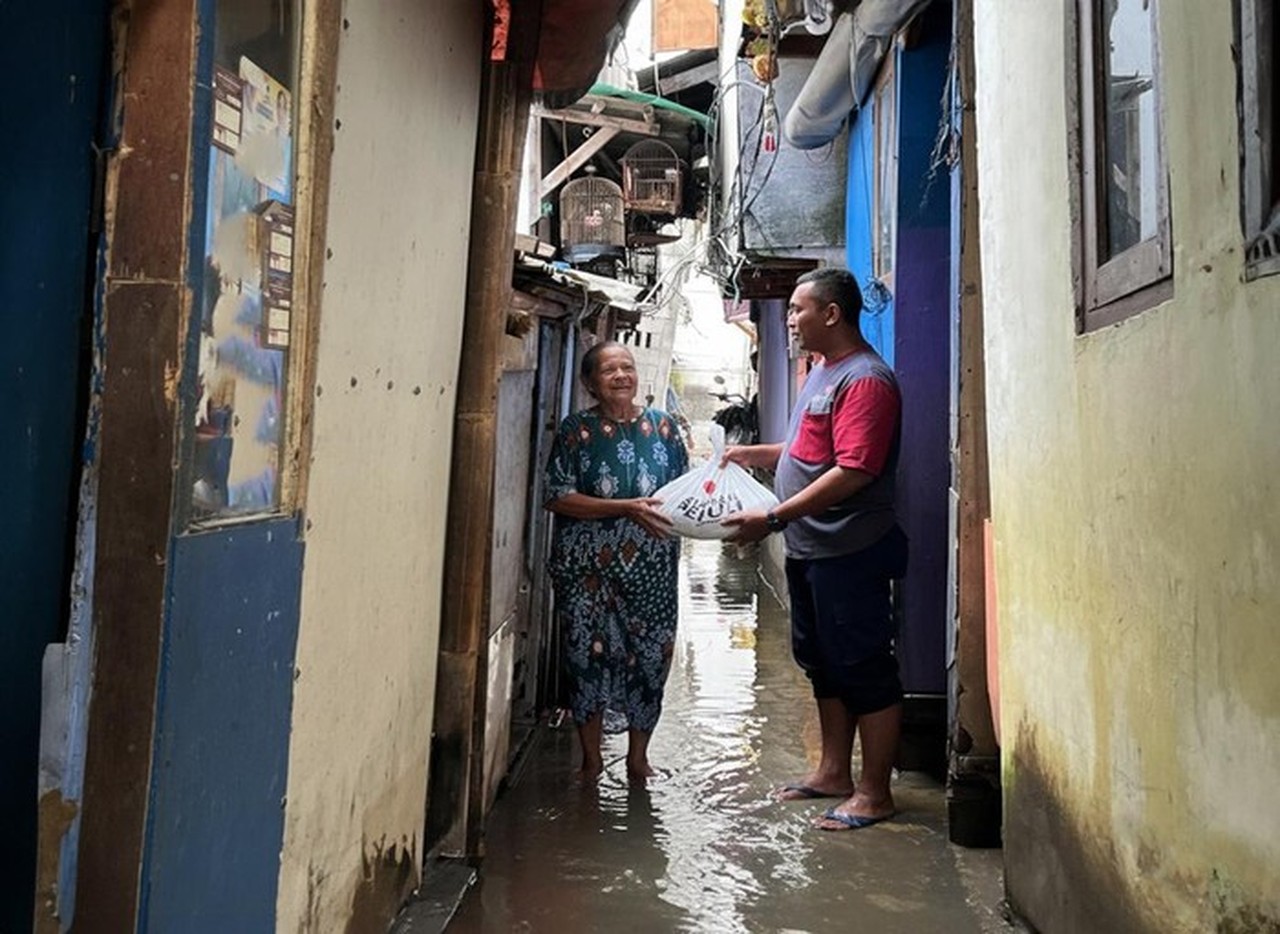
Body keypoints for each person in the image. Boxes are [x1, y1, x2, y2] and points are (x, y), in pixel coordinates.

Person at [722, 267, 908, 831]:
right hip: (810, 548)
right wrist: (749, 455)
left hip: (851, 548)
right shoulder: (823, 373)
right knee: (821, 663)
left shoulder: (866, 380)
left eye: (799, 311)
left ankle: (875, 793)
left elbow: (854, 470)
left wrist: (774, 516)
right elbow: (805, 450)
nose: (791, 322)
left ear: (832, 313)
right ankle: (832, 772)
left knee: (863, 665)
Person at [544, 341, 689, 782]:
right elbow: (557, 496)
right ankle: (591, 761)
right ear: (591, 383)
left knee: (651, 660)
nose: (622, 375)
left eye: (628, 367)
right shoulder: (575, 431)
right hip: (586, 572)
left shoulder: (663, 429)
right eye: (610, 370)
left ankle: (637, 760)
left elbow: (686, 491)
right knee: (585, 658)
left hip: (652, 573)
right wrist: (624, 507)